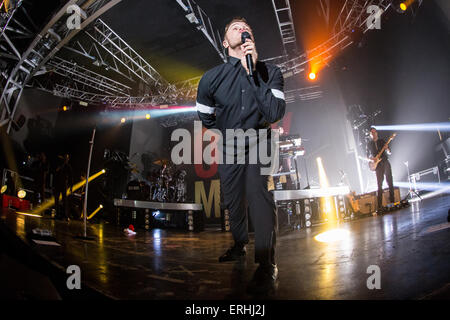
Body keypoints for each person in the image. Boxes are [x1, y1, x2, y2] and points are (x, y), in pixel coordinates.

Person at [196, 17, 286, 294]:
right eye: (234, 27)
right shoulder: (211, 78)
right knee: (232, 201)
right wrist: (226, 130)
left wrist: (253, 72)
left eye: (246, 28)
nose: (242, 29)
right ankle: (238, 245)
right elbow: (205, 115)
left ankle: (266, 262)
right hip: (230, 144)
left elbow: (274, 114)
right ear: (225, 43)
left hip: (261, 139)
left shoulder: (271, 72)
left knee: (260, 195)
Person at [367, 127, 395, 212]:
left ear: (377, 133)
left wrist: (387, 148)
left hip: (385, 161)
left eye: (375, 132)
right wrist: (372, 159)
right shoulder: (369, 144)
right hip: (377, 165)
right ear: (370, 135)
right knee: (379, 185)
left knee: (389, 181)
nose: (374, 134)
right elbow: (367, 156)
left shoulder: (382, 141)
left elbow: (389, 152)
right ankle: (379, 206)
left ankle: (392, 202)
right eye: (372, 133)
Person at [53, 154, 73, 221]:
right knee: (56, 200)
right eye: (65, 158)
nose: (66, 159)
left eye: (67, 158)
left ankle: (65, 215)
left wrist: (71, 186)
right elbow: (55, 173)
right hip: (58, 185)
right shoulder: (59, 165)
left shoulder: (68, 167)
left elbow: (70, 177)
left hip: (64, 185)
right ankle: (57, 214)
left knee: (64, 200)